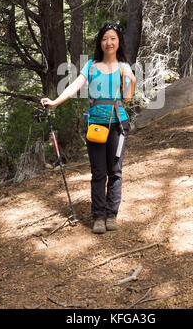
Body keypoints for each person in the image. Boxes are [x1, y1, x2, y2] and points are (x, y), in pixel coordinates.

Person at [41, 23, 136, 234]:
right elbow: (75, 85)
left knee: (115, 172)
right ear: (100, 42)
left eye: (112, 38)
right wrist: (55, 102)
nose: (108, 42)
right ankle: (99, 217)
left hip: (118, 125)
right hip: (95, 127)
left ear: (118, 41)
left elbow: (127, 98)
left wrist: (131, 80)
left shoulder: (124, 66)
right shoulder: (91, 66)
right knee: (98, 172)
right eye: (104, 39)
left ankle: (112, 214)